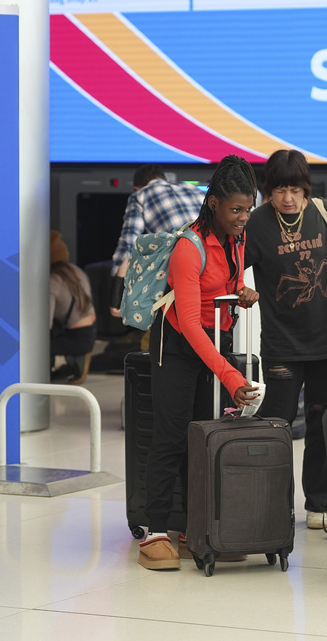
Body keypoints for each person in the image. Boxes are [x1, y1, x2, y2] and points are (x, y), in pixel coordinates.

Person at [138, 155, 261, 571]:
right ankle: (154, 530)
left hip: (213, 342)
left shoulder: (236, 238)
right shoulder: (189, 249)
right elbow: (190, 322)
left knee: (202, 439)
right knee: (171, 437)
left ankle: (195, 529)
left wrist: (241, 290)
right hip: (177, 345)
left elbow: (225, 283)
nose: (243, 217)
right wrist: (228, 374)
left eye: (248, 208)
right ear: (213, 203)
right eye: (235, 209)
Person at [244, 149, 327, 531]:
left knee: (320, 421)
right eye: (280, 190)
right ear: (268, 191)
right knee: (276, 424)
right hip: (282, 344)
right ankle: (270, 504)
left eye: (295, 189)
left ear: (306, 189)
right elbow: (232, 269)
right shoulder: (257, 224)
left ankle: (318, 502)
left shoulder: (325, 212)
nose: (288, 198)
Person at [109, 165, 205, 319]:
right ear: (166, 179)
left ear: (137, 187)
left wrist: (117, 295)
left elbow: (130, 245)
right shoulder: (192, 189)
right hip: (212, 263)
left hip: (182, 267)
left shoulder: (139, 196)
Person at [49, 230, 96, 383]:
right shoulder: (77, 272)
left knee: (38, 346)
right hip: (90, 331)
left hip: (74, 338)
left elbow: (45, 323)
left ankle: (44, 374)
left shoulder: (53, 281)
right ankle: (73, 366)